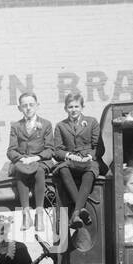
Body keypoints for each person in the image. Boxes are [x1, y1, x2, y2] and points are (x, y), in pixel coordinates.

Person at [52, 91, 101, 229]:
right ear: (65, 108)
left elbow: (98, 146)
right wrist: (69, 155)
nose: (73, 110)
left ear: (82, 107)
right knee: (62, 169)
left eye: (76, 107)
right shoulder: (61, 126)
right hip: (71, 161)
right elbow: (57, 150)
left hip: (88, 160)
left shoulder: (92, 122)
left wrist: (89, 156)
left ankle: (76, 213)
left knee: (90, 171)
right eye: (70, 107)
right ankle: (81, 209)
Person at [6, 92, 55, 225]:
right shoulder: (16, 126)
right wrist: (21, 159)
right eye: (24, 105)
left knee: (39, 171)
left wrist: (36, 158)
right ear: (19, 108)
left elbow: (50, 149)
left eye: (31, 105)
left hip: (40, 161)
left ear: (37, 106)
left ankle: (39, 214)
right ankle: (25, 214)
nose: (28, 108)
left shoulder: (45, 124)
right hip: (23, 161)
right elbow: (11, 150)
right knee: (20, 171)